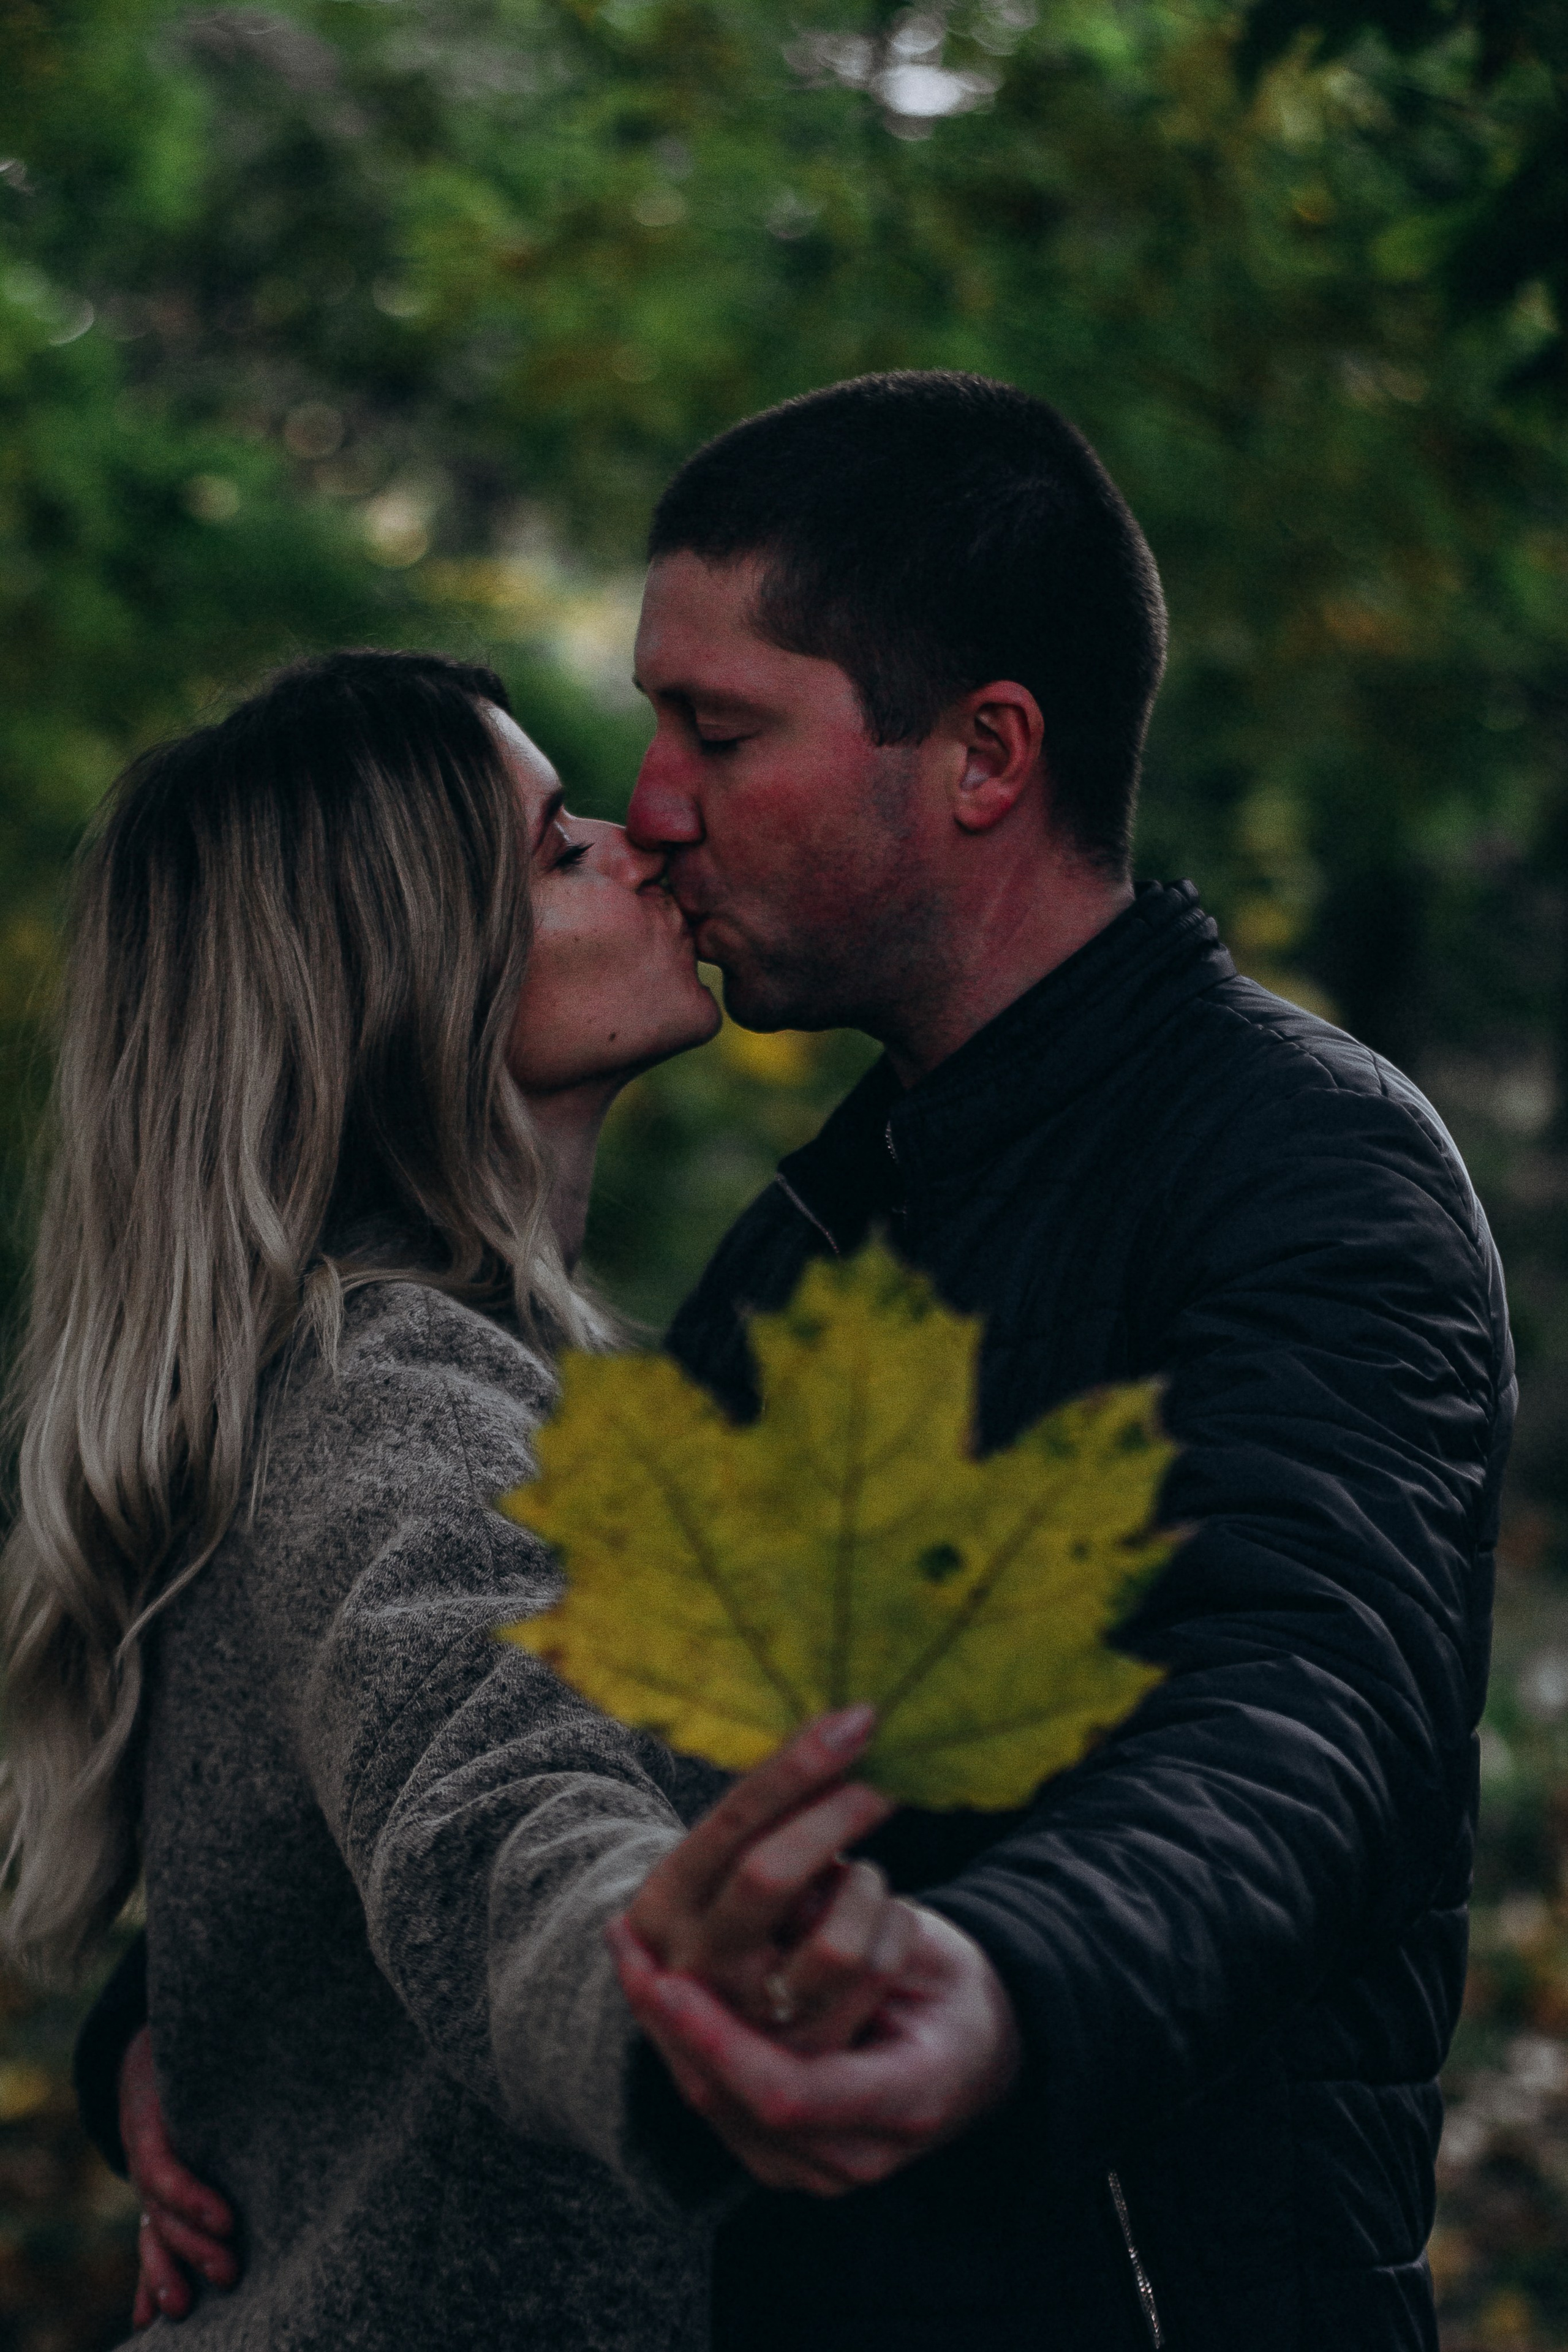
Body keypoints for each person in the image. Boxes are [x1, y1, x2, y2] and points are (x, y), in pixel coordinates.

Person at [82, 375, 1510, 2352]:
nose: (653, 806)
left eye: (716, 732)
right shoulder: (803, 1258)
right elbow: (479, 1741)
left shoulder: (1301, 1169)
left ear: (985, 757)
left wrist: (1000, 1984)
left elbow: (1302, 1716)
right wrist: (174, 2031)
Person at [1, 648, 1011, 2349]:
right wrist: (667, 1998)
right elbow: (492, 1807)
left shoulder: (403, 1382)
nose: (643, 842)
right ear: (400, 978)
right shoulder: (391, 1401)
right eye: (558, 849)